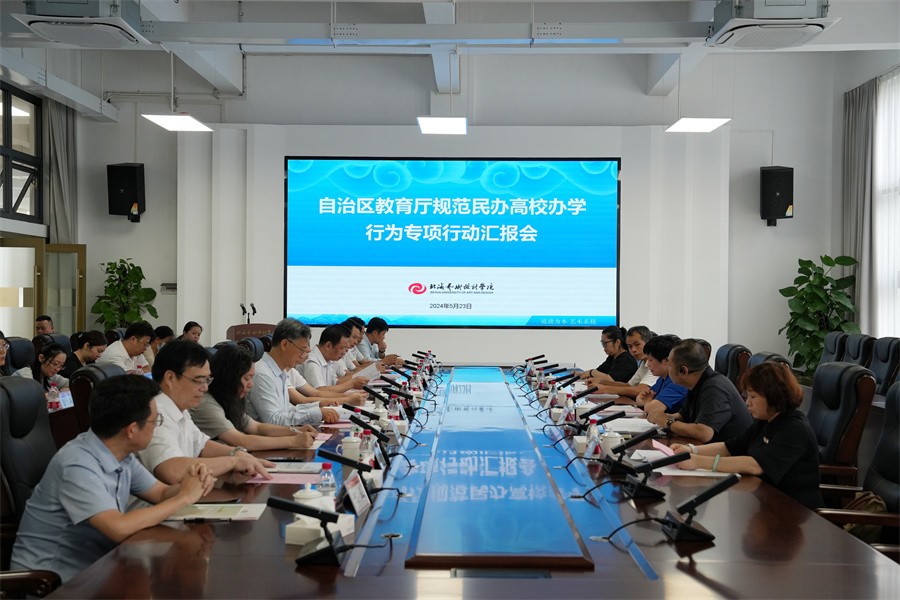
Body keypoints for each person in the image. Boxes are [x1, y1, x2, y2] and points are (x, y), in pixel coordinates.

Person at [10, 375, 216, 583]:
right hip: (52, 583)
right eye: (155, 421)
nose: (156, 427)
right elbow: (117, 528)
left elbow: (161, 493)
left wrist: (192, 482)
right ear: (132, 430)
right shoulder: (77, 464)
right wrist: (183, 497)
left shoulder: (121, 454)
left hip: (98, 570)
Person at [673, 362, 823, 509]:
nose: (747, 403)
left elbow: (755, 465)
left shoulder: (795, 428)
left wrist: (698, 461)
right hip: (762, 499)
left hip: (794, 510)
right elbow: (730, 447)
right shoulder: (765, 421)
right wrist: (691, 450)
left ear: (773, 396)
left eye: (753, 397)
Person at [138, 340, 273, 485]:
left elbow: (201, 445)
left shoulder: (180, 409)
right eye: (199, 380)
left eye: (207, 380)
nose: (205, 388)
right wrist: (232, 461)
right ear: (170, 378)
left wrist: (238, 454)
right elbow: (172, 470)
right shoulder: (155, 414)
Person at [190, 345, 318, 450]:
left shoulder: (228, 400)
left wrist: (295, 430)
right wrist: (293, 441)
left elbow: (257, 427)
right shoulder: (207, 404)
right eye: (246, 378)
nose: (251, 384)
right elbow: (242, 441)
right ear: (229, 378)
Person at [646, 339, 752, 443]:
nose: (668, 370)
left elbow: (704, 433)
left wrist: (668, 422)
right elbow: (684, 416)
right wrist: (660, 417)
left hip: (730, 452)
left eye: (669, 366)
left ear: (683, 371)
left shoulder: (714, 388)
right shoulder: (697, 383)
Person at [246, 318, 339, 427]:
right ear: (285, 344)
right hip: (266, 436)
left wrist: (318, 406)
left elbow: (287, 410)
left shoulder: (281, 371)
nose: (303, 356)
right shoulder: (262, 374)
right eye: (302, 350)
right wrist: (316, 413)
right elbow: (273, 420)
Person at [587, 325, 658, 397]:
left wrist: (605, 388)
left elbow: (638, 390)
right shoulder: (643, 362)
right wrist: (600, 382)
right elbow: (629, 385)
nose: (633, 350)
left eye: (637, 344)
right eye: (630, 346)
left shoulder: (656, 363)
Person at [301, 324, 367, 392]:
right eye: (342, 348)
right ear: (328, 346)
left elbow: (335, 382)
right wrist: (351, 384)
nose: (344, 353)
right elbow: (320, 391)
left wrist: (360, 377)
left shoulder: (327, 359)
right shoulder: (312, 362)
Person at [636, 334, 689, 414]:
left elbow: (651, 409)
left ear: (667, 361)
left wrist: (648, 402)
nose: (648, 364)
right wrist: (648, 401)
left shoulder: (678, 382)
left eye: (650, 360)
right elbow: (639, 399)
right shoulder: (662, 379)